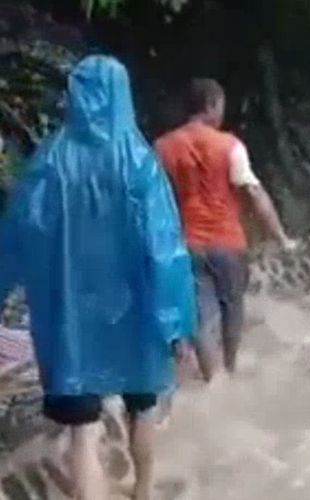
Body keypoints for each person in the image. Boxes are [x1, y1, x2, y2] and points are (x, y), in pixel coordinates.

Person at [0, 56, 196, 500]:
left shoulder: (49, 162)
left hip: (69, 318)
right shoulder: (140, 163)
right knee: (142, 411)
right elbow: (165, 252)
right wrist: (178, 324)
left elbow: (13, 237)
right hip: (135, 314)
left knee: (82, 433)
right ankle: (143, 491)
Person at [156, 78, 296, 383]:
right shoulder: (229, 146)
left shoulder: (163, 147)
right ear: (210, 105)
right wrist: (281, 237)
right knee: (233, 309)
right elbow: (256, 194)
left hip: (186, 244)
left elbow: (153, 201)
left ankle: (212, 379)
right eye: (220, 105)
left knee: (199, 316)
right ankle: (230, 371)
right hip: (229, 243)